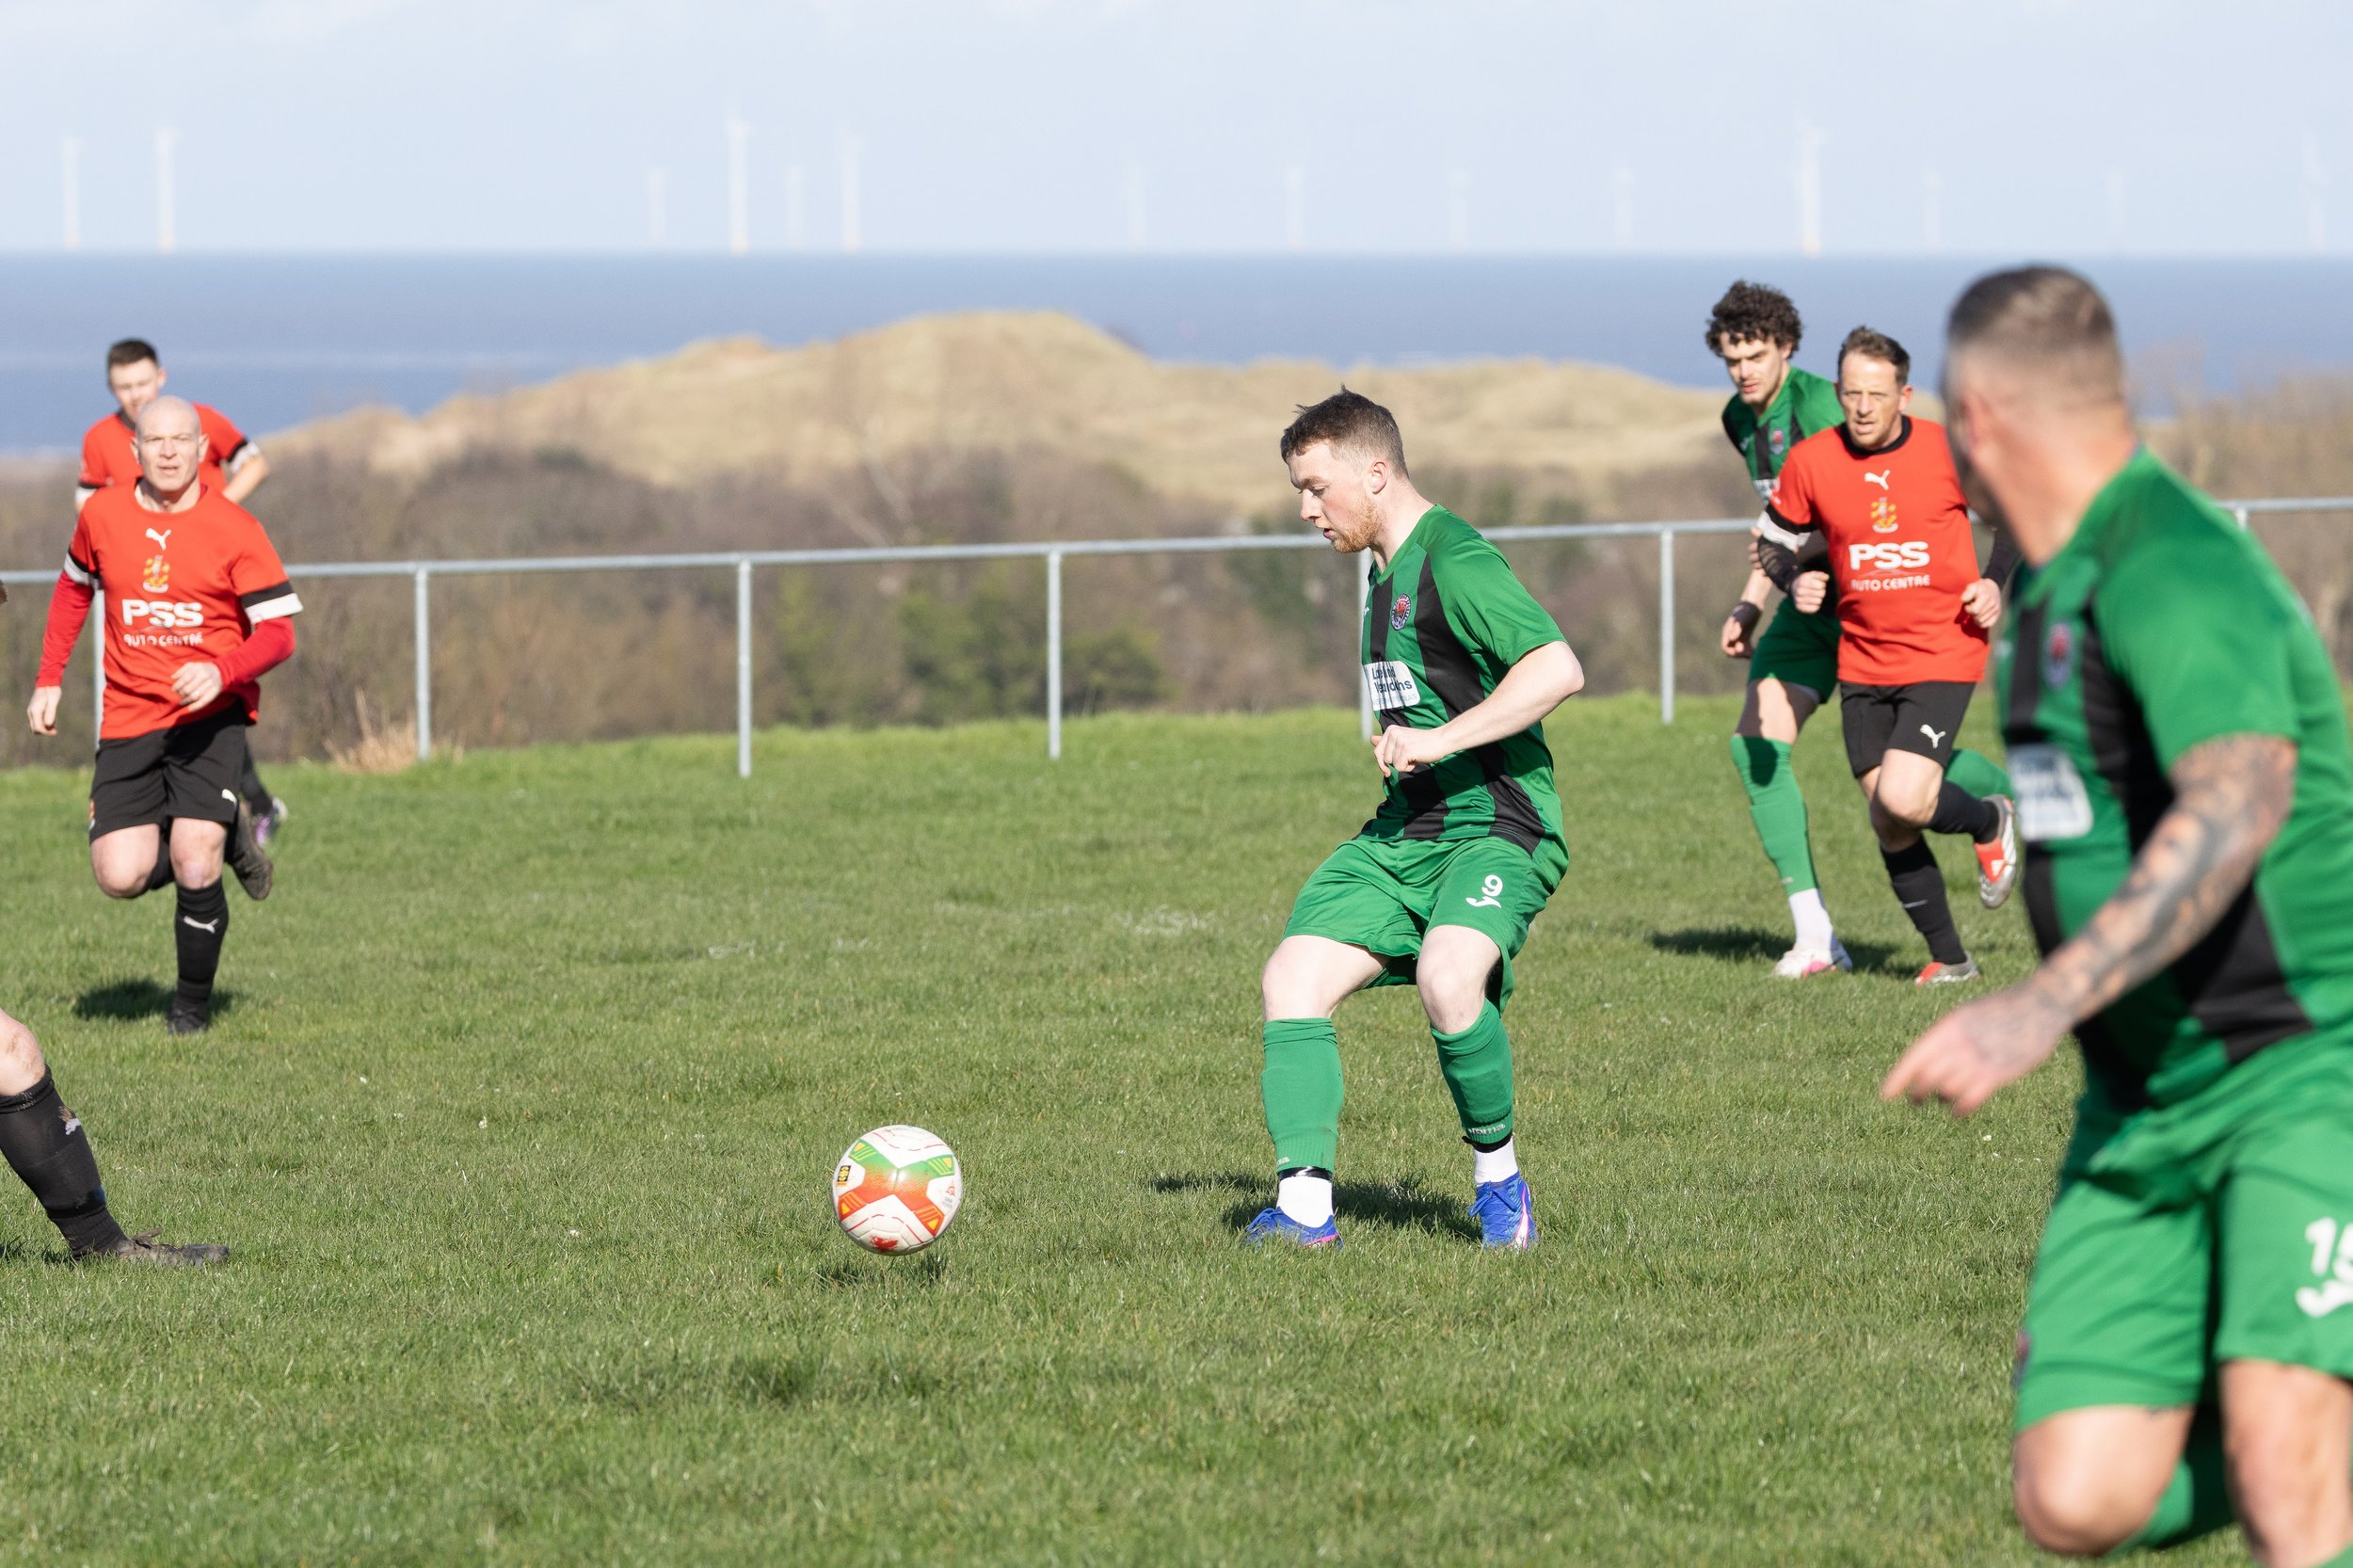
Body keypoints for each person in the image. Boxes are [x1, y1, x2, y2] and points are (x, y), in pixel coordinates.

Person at [1885, 265, 2353, 1567]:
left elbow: (2243, 792)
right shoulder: (2044, 583)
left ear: (1976, 416)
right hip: (2143, 1098)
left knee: (2284, 1467)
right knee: (2076, 1493)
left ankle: (2300, 1410)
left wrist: (2039, 1002)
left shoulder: (2174, 562)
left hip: (2303, 1068)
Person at [1252, 390, 1584, 1251]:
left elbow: (1556, 668)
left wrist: (1440, 740)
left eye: (1317, 488)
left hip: (1498, 826)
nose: (1306, 509)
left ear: (1375, 471)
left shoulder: (1456, 561)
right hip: (1405, 833)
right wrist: (1405, 740)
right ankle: (1305, 1215)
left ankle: (1499, 1185)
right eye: (1299, 490)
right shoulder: (1381, 570)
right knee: (1292, 977)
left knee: (1447, 980)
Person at [1712, 282, 2016, 980]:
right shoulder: (1744, 421)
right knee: (1776, 757)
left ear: (1788, 349)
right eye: (1732, 359)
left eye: (1757, 355)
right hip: (1830, 613)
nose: (1744, 372)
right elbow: (1783, 529)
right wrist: (1761, 598)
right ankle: (1834, 936)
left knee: (1903, 795)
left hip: (1906, 620)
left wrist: (1992, 580)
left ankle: (1998, 809)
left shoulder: (1829, 411)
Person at [28, 396, 298, 1037]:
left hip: (209, 717)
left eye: (183, 439)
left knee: (194, 859)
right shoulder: (102, 514)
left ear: (204, 450)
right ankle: (230, 827)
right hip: (127, 717)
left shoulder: (235, 526)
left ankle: (190, 1012)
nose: (171, 451)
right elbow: (72, 590)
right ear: (135, 451)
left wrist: (222, 672)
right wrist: (48, 680)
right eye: (157, 440)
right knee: (119, 875)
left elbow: (279, 633)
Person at [77, 339, 287, 849]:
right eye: (124, 387)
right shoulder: (100, 438)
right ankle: (228, 809)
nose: (135, 394)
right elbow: (86, 507)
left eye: (143, 383)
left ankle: (245, 806)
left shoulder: (198, 421)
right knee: (170, 702)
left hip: (208, 581)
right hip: (142, 588)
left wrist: (207, 519)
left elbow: (255, 463)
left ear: (162, 378)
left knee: (213, 696)